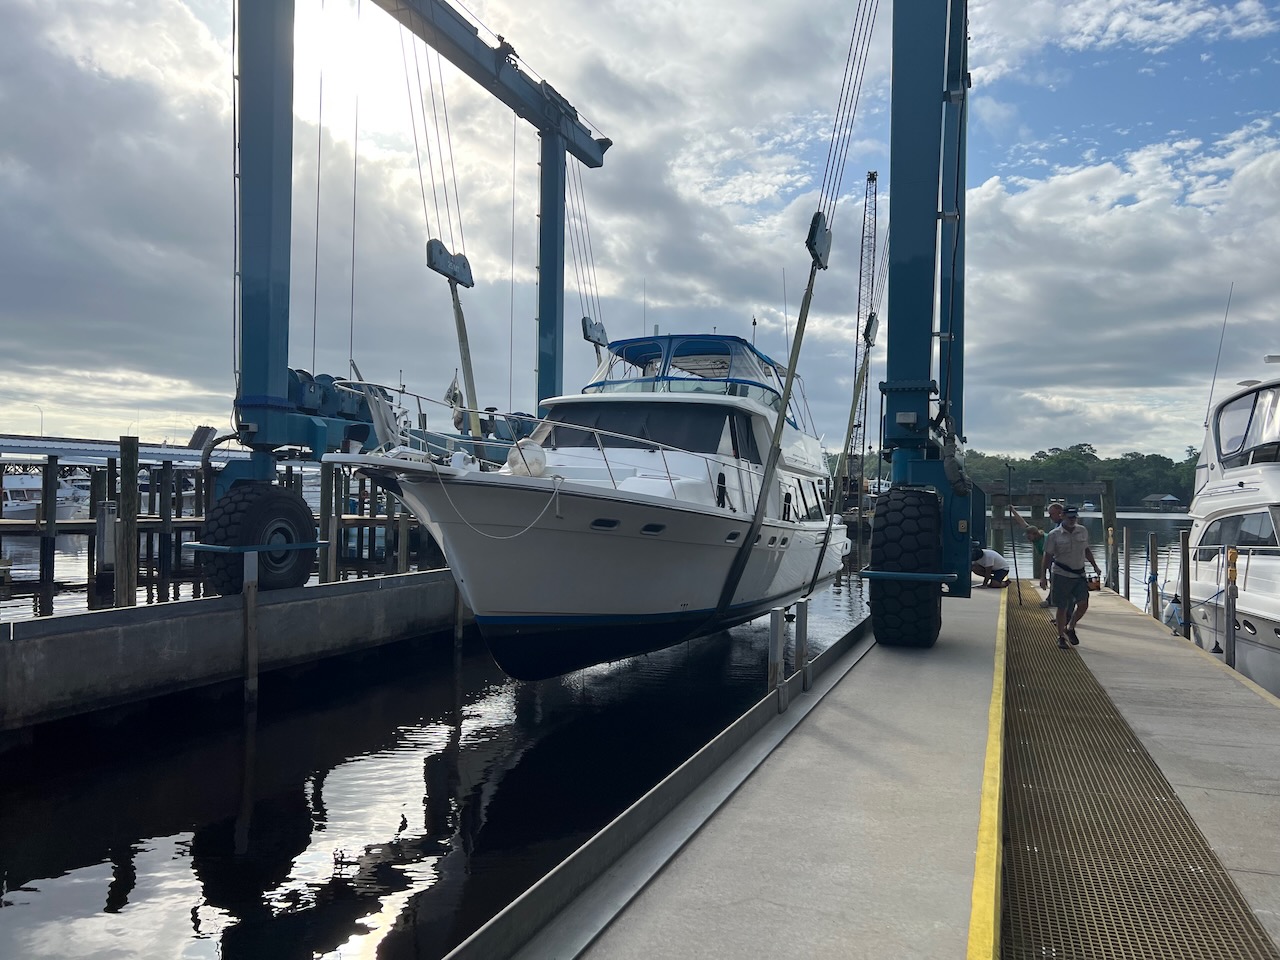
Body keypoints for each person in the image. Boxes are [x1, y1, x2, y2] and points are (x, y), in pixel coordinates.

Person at [1042, 506, 1102, 649]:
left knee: (1083, 603)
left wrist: (1095, 566)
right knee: (1062, 607)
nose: (1072, 520)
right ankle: (1061, 636)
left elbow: (1086, 550)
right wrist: (1043, 576)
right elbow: (1047, 556)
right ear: (1062, 516)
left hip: (1079, 573)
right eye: (1069, 517)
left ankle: (1071, 627)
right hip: (1061, 574)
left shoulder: (1082, 530)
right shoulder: (1054, 535)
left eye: (1074, 517)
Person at [1010, 502, 1063, 607]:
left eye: (1029, 537)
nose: (1028, 539)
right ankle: (1053, 600)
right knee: (1053, 580)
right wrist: (1013, 511)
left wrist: (1043, 576)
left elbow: (1047, 556)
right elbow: (1022, 523)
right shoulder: (1034, 535)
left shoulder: (1045, 540)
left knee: (1054, 579)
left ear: (1035, 534)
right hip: (1051, 559)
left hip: (1055, 559)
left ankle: (1052, 600)